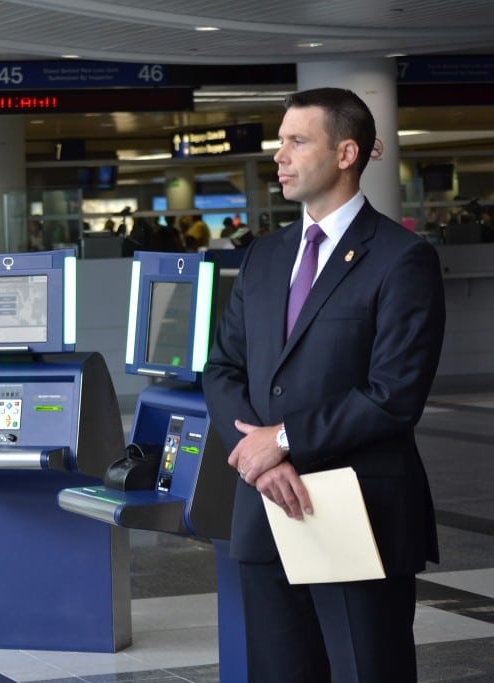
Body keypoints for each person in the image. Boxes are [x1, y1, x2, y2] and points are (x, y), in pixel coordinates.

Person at [202, 87, 445, 682]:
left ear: (345, 154)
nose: (279, 155)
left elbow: (394, 396)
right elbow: (222, 368)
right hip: (266, 510)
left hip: (358, 514)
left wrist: (281, 441)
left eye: (296, 141)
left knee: (368, 670)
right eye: (279, 141)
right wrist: (260, 459)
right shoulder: (263, 256)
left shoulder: (401, 258)